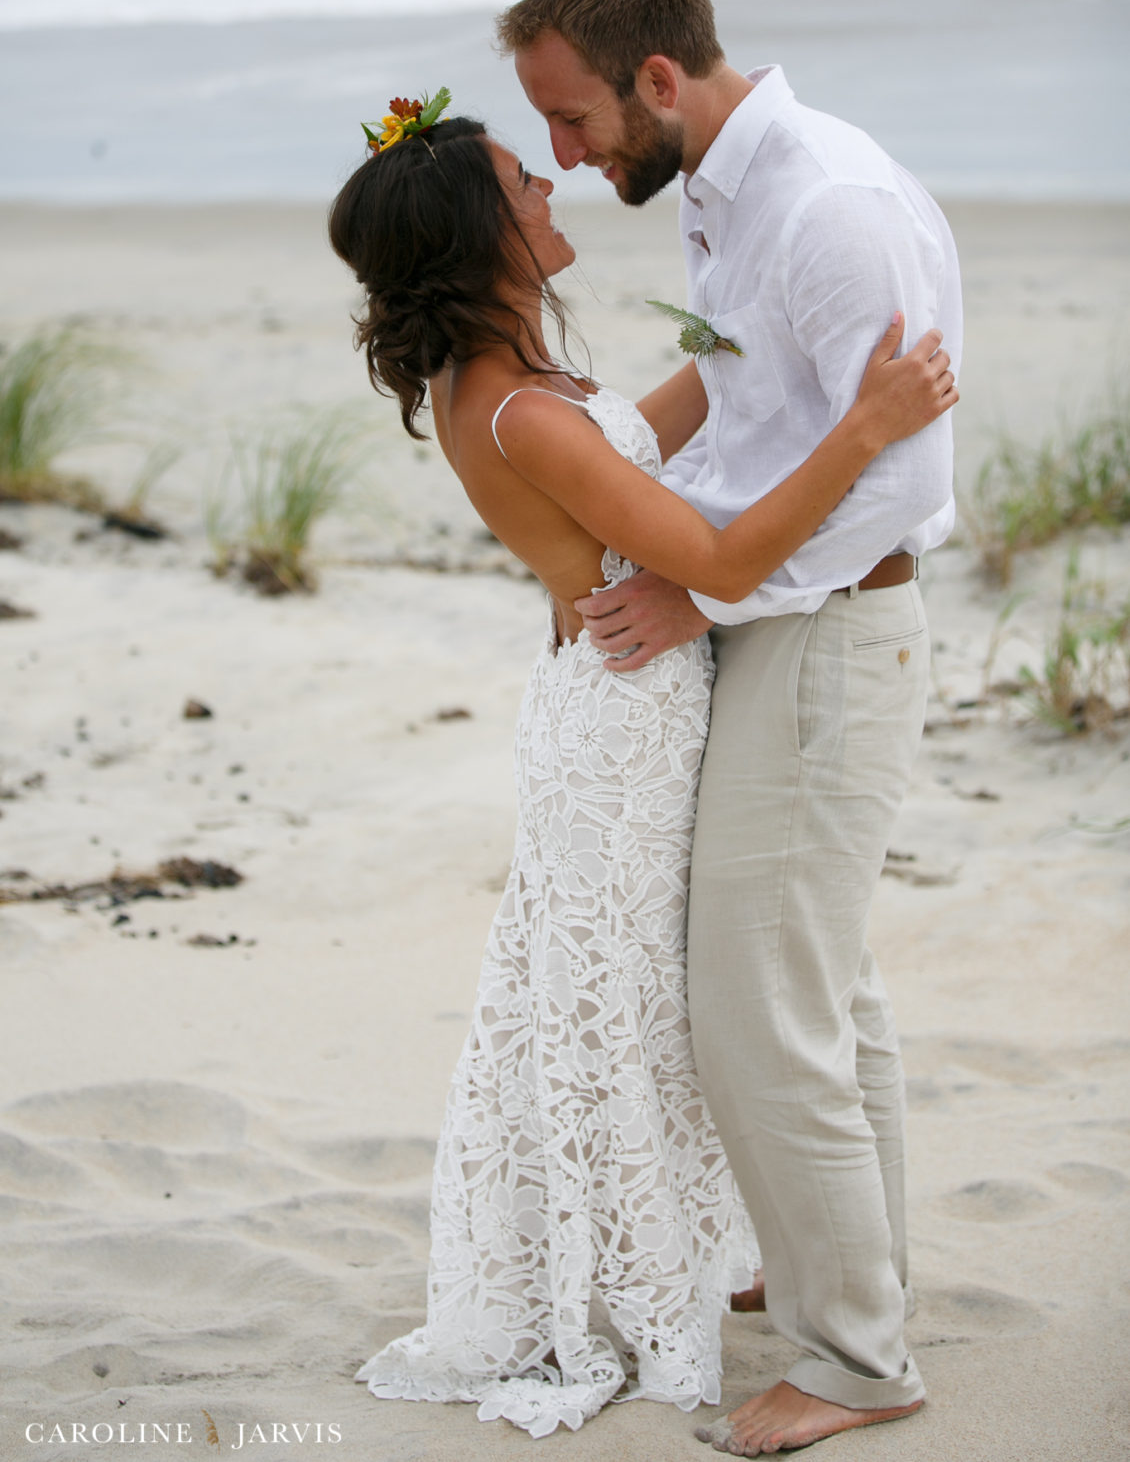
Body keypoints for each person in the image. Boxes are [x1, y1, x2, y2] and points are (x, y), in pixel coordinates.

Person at [328, 94, 957, 1440]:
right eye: (520, 179)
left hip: (632, 700)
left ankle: (767, 1257)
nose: (552, 187)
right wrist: (861, 425)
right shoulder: (515, 411)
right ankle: (665, 1270)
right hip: (621, 730)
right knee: (638, 1004)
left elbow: (648, 437)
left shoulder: (522, 385)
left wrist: (744, 311)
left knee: (711, 988)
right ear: (479, 234)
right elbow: (716, 564)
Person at [497, 0, 964, 1456]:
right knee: (822, 990)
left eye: (572, 122)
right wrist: (618, 485)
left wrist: (697, 583)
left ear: (653, 76)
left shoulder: (826, 209)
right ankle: (848, 1274)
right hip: (777, 622)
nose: (563, 158)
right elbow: (742, 391)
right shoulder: (715, 191)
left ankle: (853, 1361)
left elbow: (898, 471)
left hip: (835, 631)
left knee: (755, 1007)